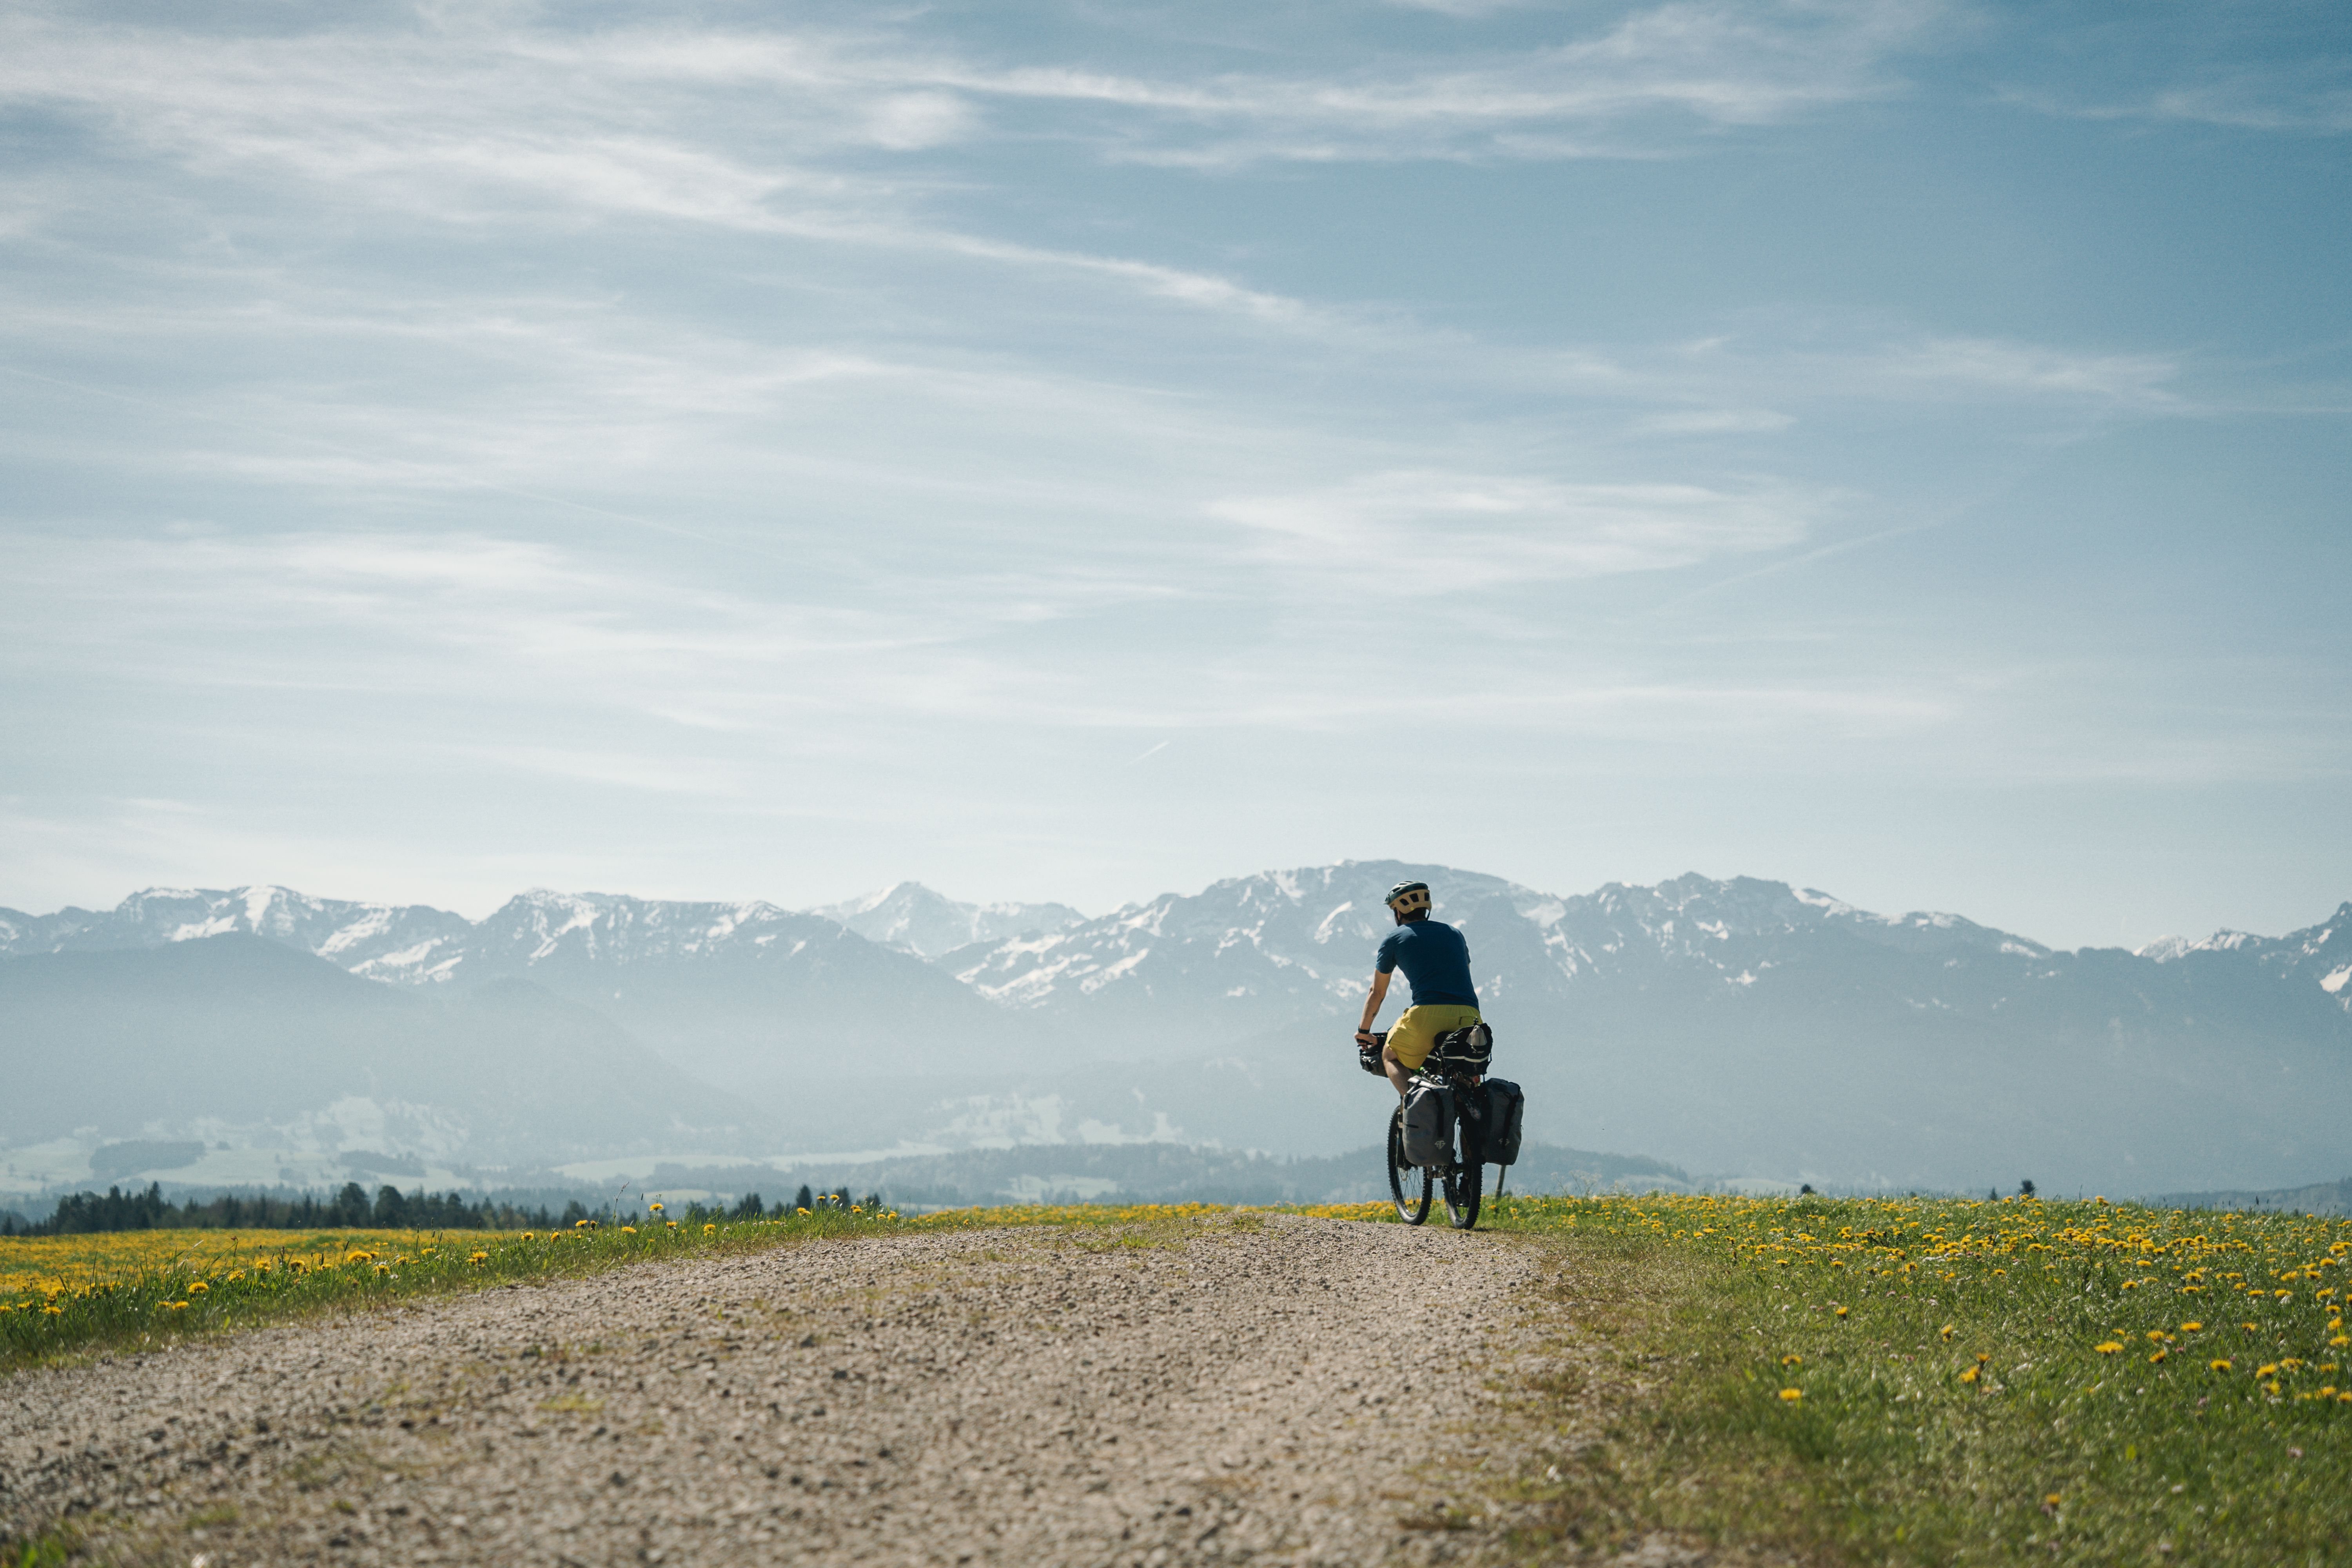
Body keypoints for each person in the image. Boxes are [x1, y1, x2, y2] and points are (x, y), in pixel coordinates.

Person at [1354, 880, 1481, 1097]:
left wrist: (1364, 1031)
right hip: (1471, 1016)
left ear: (1399, 912)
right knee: (1465, 1070)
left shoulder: (1395, 938)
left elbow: (1377, 992)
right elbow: (1464, 974)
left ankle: (1417, 1104)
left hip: (1426, 1014)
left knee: (1390, 1057)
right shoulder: (1455, 934)